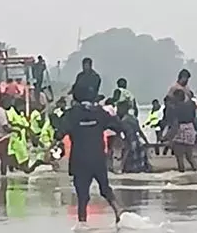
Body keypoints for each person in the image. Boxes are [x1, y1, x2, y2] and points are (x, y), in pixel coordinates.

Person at [54, 86, 125, 223]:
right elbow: (119, 126)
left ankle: (82, 223)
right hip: (98, 158)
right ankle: (118, 209)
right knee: (105, 188)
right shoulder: (99, 112)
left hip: (80, 159)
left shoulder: (71, 114)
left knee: (82, 196)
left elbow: (59, 134)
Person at [166, 91, 197, 171]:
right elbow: (194, 120)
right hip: (190, 129)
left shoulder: (175, 108)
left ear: (176, 98)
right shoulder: (190, 106)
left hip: (181, 129)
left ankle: (182, 174)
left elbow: (175, 124)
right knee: (189, 156)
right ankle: (196, 172)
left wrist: (168, 137)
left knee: (179, 157)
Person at [116, 102, 152, 173]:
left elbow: (120, 132)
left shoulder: (123, 120)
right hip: (136, 140)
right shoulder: (133, 118)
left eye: (119, 109)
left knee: (127, 153)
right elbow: (139, 131)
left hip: (130, 140)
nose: (117, 111)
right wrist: (146, 141)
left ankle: (121, 168)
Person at [0, 97, 15, 176]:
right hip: (0, 137)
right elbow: (5, 127)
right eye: (9, 102)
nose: (10, 104)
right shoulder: (1, 112)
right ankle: (3, 175)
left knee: (5, 157)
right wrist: (15, 130)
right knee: (4, 158)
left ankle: (5, 173)